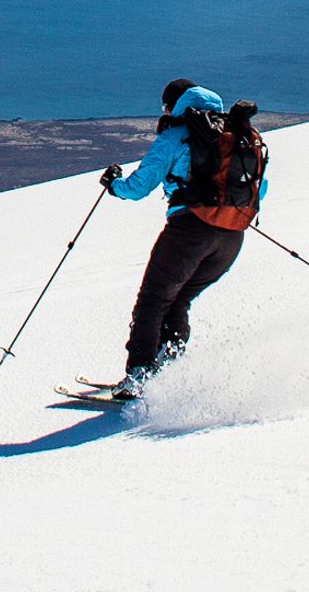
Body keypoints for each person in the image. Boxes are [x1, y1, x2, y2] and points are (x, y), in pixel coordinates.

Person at [98, 81, 267, 388]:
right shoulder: (240, 135)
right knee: (178, 301)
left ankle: (138, 378)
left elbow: (140, 186)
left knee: (153, 301)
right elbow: (260, 188)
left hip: (189, 231)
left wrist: (114, 185)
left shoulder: (178, 135)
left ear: (174, 106)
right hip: (231, 236)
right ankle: (169, 374)